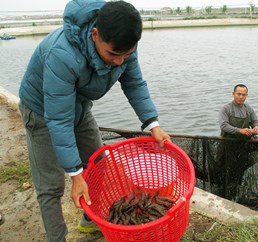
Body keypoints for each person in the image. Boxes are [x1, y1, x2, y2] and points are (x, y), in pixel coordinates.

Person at [18, 1, 170, 241]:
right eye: (113, 54)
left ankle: (90, 220)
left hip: (79, 105)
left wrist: (153, 124)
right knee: (51, 186)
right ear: (95, 34)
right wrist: (75, 174)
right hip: (41, 111)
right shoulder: (62, 54)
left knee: (98, 164)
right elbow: (58, 119)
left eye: (126, 55)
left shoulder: (123, 44)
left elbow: (134, 83)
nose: (120, 61)